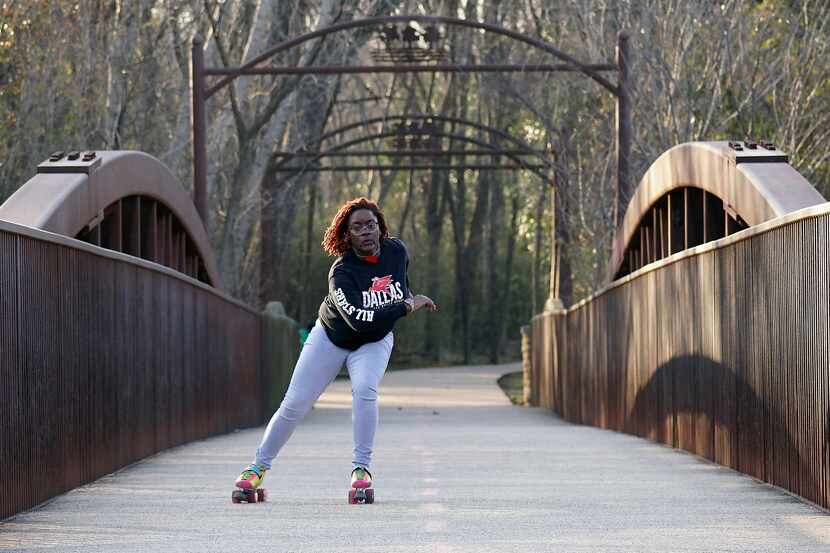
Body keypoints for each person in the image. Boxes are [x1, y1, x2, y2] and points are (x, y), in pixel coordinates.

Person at [234, 197, 437, 497]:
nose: (366, 231)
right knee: (294, 404)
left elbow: (399, 289)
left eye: (371, 224)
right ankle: (257, 468)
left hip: (375, 341)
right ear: (347, 235)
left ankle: (361, 468)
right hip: (331, 338)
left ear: (380, 228)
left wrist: (405, 299)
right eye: (357, 227)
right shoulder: (341, 272)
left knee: (366, 389)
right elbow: (359, 320)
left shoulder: (397, 250)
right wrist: (407, 307)